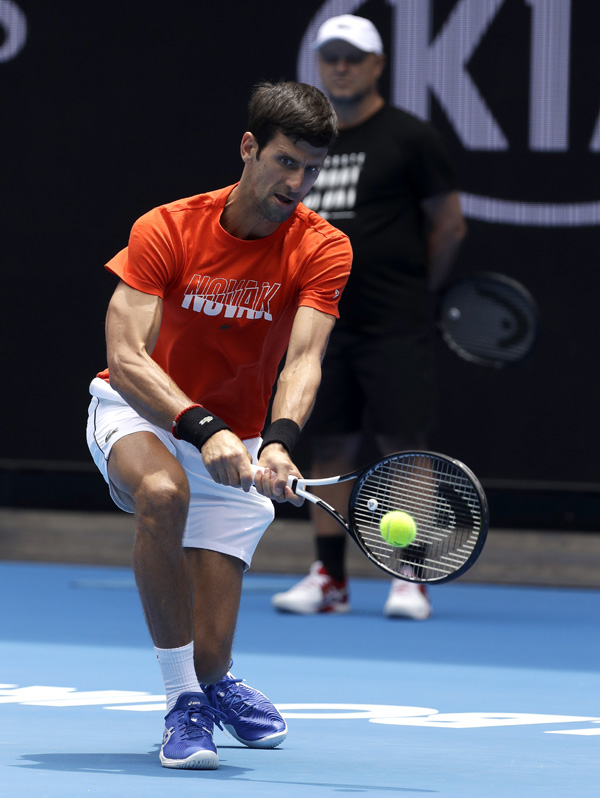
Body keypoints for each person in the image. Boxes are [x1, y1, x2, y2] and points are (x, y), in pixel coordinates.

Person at [86, 80, 352, 770]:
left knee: (208, 650)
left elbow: (304, 360)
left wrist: (282, 443)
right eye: (286, 162)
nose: (298, 183)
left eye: (312, 170)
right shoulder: (167, 228)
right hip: (142, 411)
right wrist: (204, 428)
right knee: (163, 493)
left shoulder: (323, 248)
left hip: (238, 438)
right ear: (249, 148)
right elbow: (126, 355)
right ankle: (183, 704)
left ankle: (212, 680)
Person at [272, 15, 467, 620]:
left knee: (403, 445)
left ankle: (411, 575)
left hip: (394, 321)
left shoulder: (410, 138)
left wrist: (412, 290)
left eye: (353, 58)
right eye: (331, 56)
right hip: (321, 321)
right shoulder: (307, 143)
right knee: (325, 442)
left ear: (377, 65)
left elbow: (449, 224)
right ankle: (330, 578)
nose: (341, 67)